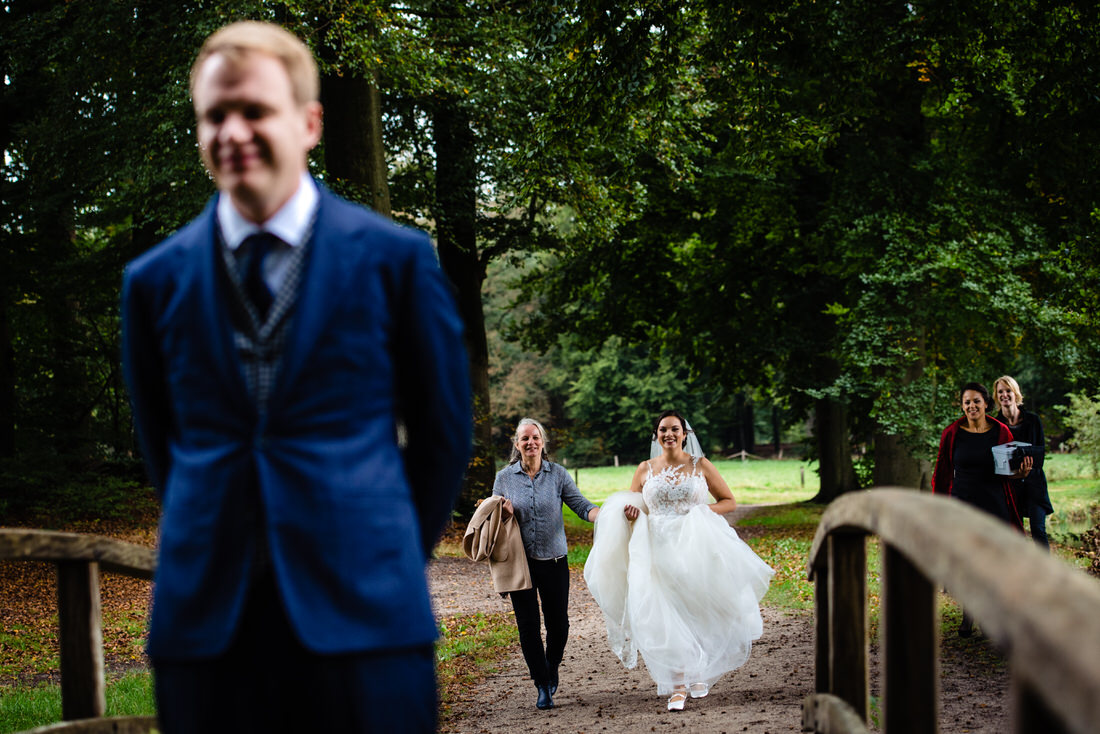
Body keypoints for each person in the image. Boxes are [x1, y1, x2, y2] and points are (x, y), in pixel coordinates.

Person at [120, 21, 471, 733]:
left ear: (309, 123)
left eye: (255, 110)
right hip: (206, 629)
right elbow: (165, 445)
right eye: (215, 115)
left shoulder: (394, 261)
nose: (233, 132)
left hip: (367, 622)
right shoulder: (151, 282)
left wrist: (386, 552)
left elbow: (443, 433)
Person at [584, 410, 774, 712]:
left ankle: (699, 670)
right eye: (663, 429)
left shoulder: (701, 465)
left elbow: (729, 501)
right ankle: (677, 684)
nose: (668, 434)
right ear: (656, 435)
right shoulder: (645, 469)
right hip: (657, 545)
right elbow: (634, 506)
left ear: (685, 434)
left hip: (695, 544)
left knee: (696, 609)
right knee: (665, 611)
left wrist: (699, 515)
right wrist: (631, 514)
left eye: (675, 429)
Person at [492, 418, 599, 710]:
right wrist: (504, 512)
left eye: (535, 437)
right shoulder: (504, 477)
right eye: (524, 438)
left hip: (554, 560)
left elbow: (580, 505)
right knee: (527, 627)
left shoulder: (558, 474)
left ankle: (552, 668)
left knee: (558, 624)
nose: (530, 442)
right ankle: (542, 684)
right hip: (519, 563)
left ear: (542, 442)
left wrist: (604, 515)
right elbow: (492, 522)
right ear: (517, 444)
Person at [932, 382, 1031, 636]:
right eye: (967, 402)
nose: (971, 406)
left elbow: (1009, 471)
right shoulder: (952, 433)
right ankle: (968, 614)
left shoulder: (1001, 432)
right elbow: (942, 471)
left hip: (993, 502)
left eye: (976, 401)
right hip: (962, 504)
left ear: (986, 403)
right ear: (962, 405)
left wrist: (1020, 472)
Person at [994, 375, 1053, 550]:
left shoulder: (1033, 421)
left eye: (1008, 390)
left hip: (1034, 484)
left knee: (1038, 530)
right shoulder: (995, 425)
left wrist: (1026, 466)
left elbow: (1040, 453)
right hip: (1010, 488)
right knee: (1014, 534)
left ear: (1016, 393)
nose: (1005, 395)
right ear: (997, 397)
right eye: (1000, 392)